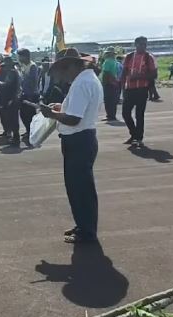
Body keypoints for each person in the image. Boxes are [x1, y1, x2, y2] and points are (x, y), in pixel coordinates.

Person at [39, 48, 103, 244]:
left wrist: (52, 115)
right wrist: (61, 108)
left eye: (63, 70)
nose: (63, 75)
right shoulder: (86, 79)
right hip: (82, 139)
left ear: (72, 66)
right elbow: (75, 111)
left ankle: (86, 231)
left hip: (79, 140)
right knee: (80, 188)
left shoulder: (82, 83)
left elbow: (74, 119)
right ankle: (83, 225)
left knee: (80, 189)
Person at [120, 36, 158, 147]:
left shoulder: (148, 57)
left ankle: (138, 138)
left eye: (145, 44)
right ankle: (134, 134)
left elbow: (154, 75)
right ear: (135, 44)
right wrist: (123, 87)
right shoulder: (129, 56)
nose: (143, 46)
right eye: (141, 44)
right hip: (129, 89)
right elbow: (124, 72)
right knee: (125, 113)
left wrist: (140, 76)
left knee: (139, 115)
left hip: (142, 89)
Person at [0, 56, 21, 145]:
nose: (4, 67)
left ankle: (16, 138)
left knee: (13, 119)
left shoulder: (12, 72)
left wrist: (0, 83)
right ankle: (14, 137)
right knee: (11, 119)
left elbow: (8, 84)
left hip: (12, 98)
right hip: (10, 98)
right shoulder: (11, 72)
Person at [18, 48, 40, 146]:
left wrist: (30, 95)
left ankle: (32, 133)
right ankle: (28, 130)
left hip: (31, 94)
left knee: (30, 115)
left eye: (20, 56)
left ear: (25, 56)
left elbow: (33, 81)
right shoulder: (23, 66)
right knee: (23, 114)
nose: (19, 58)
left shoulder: (32, 66)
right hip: (25, 94)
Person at [100, 47, 120, 121]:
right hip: (114, 82)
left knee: (108, 100)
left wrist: (104, 83)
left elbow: (106, 73)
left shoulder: (107, 61)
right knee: (113, 100)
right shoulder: (115, 61)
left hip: (108, 83)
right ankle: (112, 115)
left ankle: (109, 115)